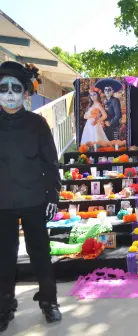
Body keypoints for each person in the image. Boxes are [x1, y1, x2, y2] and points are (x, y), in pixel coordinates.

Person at [0, 61, 62, 332]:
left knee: (40, 254)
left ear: (26, 92)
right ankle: (4, 306)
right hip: (1, 203)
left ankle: (49, 302)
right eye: (3, 88)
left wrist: (53, 196)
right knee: (3, 257)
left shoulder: (37, 123)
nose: (10, 93)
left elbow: (50, 162)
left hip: (35, 200)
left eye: (16, 87)